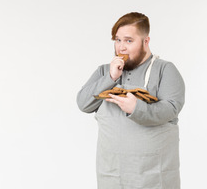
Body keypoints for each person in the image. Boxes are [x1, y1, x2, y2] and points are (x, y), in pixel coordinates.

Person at [77, 12, 185, 189]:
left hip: (154, 177)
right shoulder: (105, 71)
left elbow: (172, 108)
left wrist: (137, 108)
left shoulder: (165, 70)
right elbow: (83, 104)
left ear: (146, 41)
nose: (121, 48)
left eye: (128, 41)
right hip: (112, 176)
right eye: (117, 40)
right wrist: (110, 78)